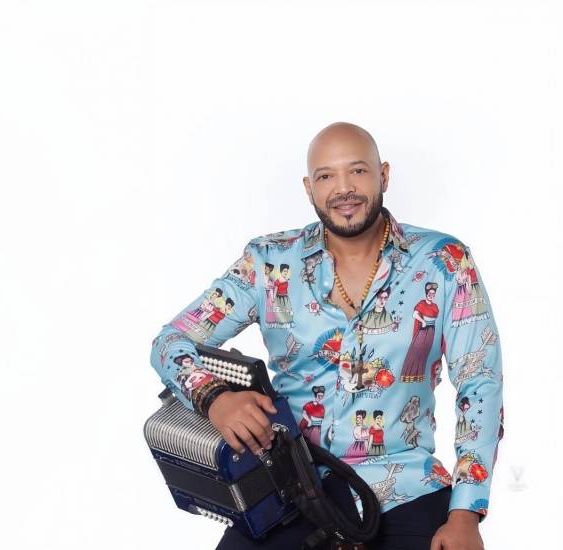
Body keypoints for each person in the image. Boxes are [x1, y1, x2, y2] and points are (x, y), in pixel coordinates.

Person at [149, 122, 504, 550]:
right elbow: (170, 342)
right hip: (291, 487)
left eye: (357, 171)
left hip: (405, 488)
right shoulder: (267, 263)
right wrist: (215, 398)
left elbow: (479, 382)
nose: (344, 189)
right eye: (326, 176)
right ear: (309, 188)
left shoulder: (444, 261)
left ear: (383, 175)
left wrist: (466, 514)